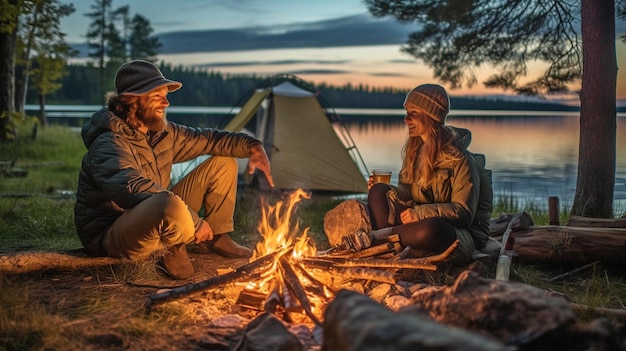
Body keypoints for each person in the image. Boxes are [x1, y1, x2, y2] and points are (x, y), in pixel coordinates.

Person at [74, 60, 274, 279]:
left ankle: (214, 237)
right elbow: (131, 188)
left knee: (223, 163)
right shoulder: (108, 143)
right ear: (133, 100)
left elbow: (208, 139)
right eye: (157, 95)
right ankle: (173, 245)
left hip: (155, 215)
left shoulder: (161, 133)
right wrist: (195, 222)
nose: (166, 102)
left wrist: (252, 146)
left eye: (166, 94)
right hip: (112, 234)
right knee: (166, 202)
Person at [365, 83, 491, 264]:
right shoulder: (415, 151)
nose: (406, 119)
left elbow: (464, 213)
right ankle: (389, 247)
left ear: (431, 115)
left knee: (432, 228)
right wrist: (388, 192)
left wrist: (419, 213)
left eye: (413, 113)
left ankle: (376, 243)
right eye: (406, 112)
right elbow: (407, 192)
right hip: (415, 225)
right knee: (378, 191)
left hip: (458, 234)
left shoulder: (460, 159)